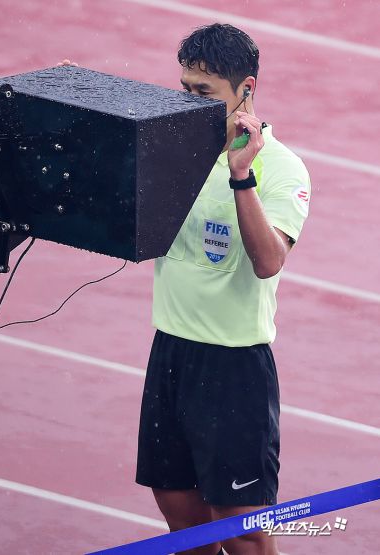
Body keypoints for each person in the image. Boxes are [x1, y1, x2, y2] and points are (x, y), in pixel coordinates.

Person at [135, 24, 311, 555]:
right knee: (182, 519)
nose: (190, 101)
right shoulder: (174, 151)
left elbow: (268, 261)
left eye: (205, 92)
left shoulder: (282, 169)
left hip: (233, 368)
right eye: (185, 88)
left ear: (246, 89)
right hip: (170, 353)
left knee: (241, 530)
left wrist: (241, 175)